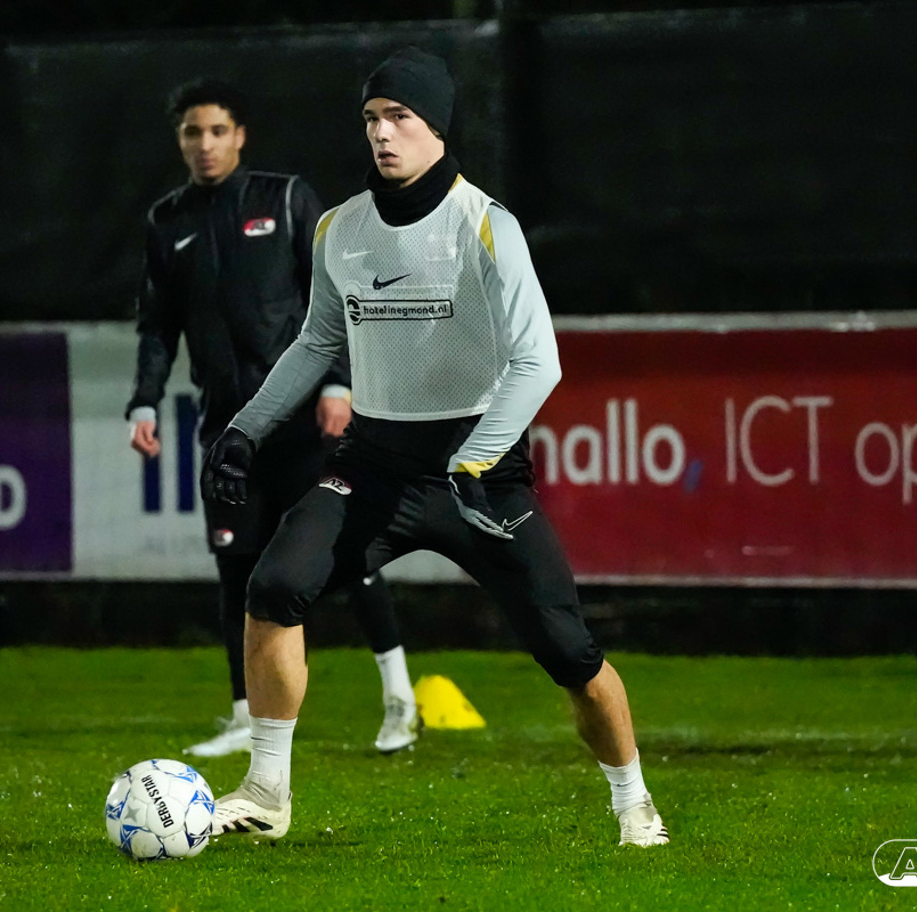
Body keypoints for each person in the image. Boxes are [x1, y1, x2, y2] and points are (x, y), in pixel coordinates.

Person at [202, 48, 670, 847]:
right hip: (372, 465)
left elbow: (539, 361)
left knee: (571, 652)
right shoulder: (339, 228)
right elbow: (317, 342)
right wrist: (246, 428)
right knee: (274, 586)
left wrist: (476, 458)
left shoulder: (484, 224)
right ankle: (267, 791)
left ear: (438, 127)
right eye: (371, 119)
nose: (382, 134)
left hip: (479, 475)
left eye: (400, 117)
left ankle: (635, 802)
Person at [127, 77, 419, 758]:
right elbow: (156, 326)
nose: (204, 144)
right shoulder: (167, 221)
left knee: (348, 555)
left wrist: (339, 383)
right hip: (228, 432)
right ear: (180, 141)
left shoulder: (284, 201)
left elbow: (336, 294)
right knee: (238, 567)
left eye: (216, 131)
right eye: (192, 133)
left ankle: (400, 699)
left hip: (303, 423)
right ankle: (245, 716)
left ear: (240, 135)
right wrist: (143, 399)